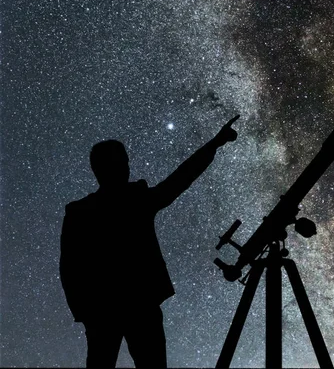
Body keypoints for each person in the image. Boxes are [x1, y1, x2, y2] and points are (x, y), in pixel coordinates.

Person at [59, 115, 240, 368]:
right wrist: (214, 144)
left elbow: (69, 267)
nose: (125, 167)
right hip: (131, 307)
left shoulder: (83, 211)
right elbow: (180, 180)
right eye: (121, 162)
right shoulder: (129, 202)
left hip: (110, 310)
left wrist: (85, 312)